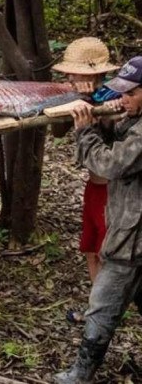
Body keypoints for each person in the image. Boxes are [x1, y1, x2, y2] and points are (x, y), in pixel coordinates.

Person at [54, 56, 142, 384]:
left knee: (103, 300)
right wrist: (97, 117)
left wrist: (86, 131)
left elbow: (111, 165)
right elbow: (117, 131)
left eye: (132, 93)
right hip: (131, 230)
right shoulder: (133, 116)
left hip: (133, 240)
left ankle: (81, 373)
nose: (124, 99)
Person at [51, 37, 121, 323]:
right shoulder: (77, 98)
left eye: (74, 72)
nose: (69, 77)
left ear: (92, 73)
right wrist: (75, 101)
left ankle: (107, 311)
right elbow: (57, 130)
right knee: (91, 250)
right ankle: (97, 308)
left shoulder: (116, 99)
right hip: (94, 187)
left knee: (108, 254)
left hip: (113, 192)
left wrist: (96, 106)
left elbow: (111, 145)